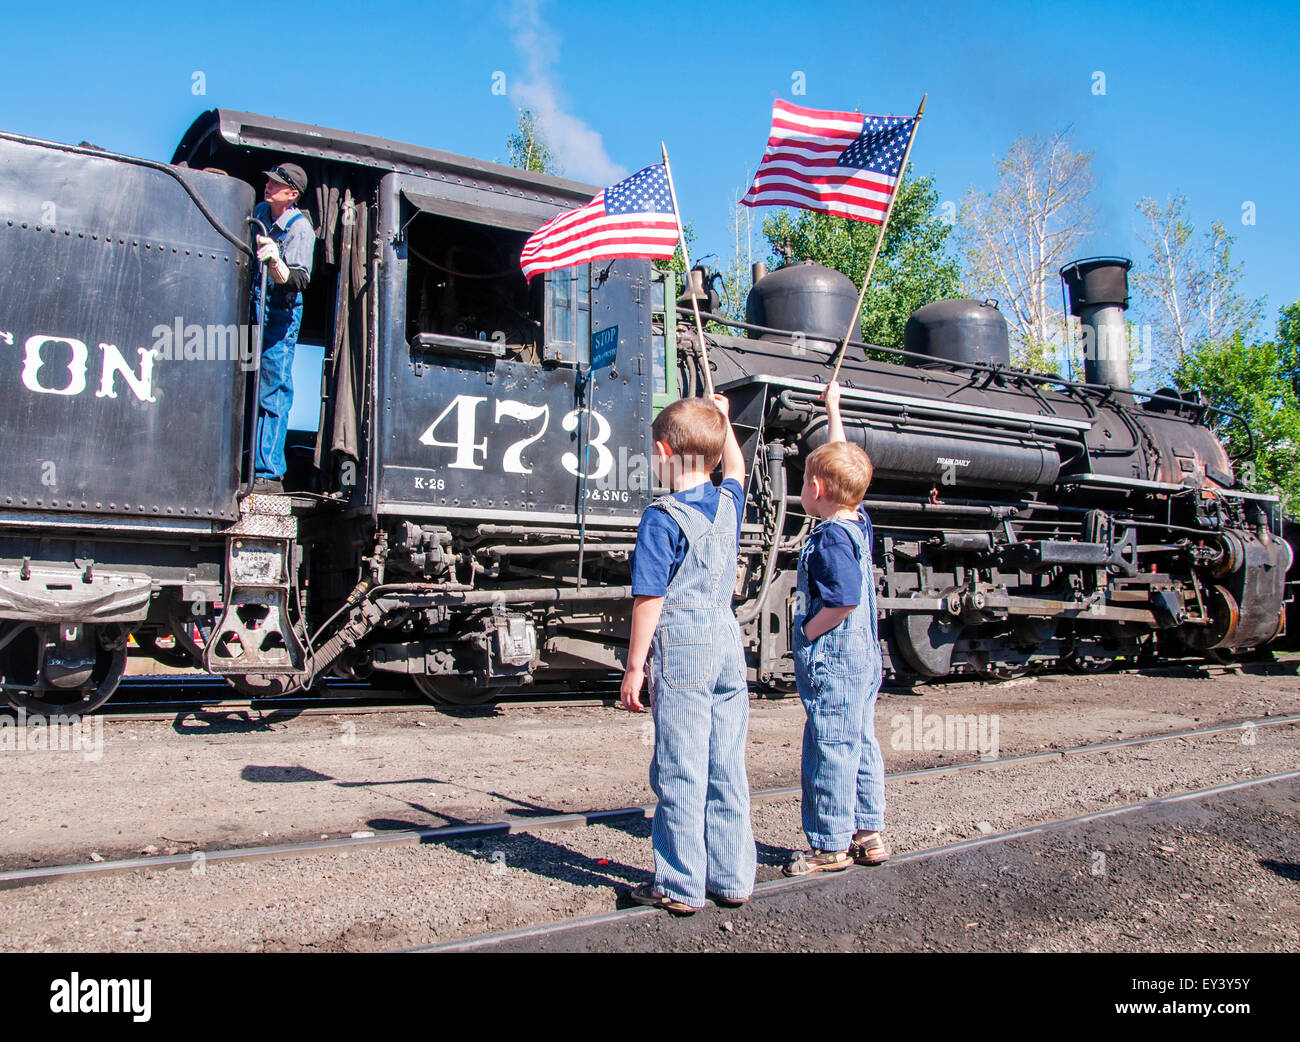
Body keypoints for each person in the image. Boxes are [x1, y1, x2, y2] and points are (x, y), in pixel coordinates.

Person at [620, 394, 755, 914]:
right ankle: (733, 877)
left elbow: (649, 599)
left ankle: (679, 884)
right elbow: (738, 467)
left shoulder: (661, 517)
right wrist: (723, 419)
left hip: (684, 646)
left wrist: (635, 667)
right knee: (726, 763)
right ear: (718, 454)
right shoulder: (729, 502)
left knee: (680, 766)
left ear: (661, 451)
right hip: (726, 640)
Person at [784, 379, 890, 876]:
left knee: (829, 746)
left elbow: (844, 600)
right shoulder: (856, 520)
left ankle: (829, 845)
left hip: (835, 660)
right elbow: (842, 462)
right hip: (864, 661)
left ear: (817, 490)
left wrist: (807, 632)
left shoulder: (828, 537)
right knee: (860, 741)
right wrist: (834, 409)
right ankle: (868, 833)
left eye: (805, 481)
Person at [249, 162, 313, 494]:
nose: (268, 186)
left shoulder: (300, 229)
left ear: (292, 194)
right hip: (253, 309)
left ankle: (270, 471)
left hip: (280, 315)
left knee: (274, 389)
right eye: (269, 181)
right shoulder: (260, 210)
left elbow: (300, 279)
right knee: (249, 384)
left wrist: (276, 262)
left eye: (276, 184)